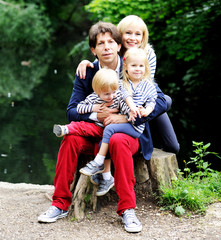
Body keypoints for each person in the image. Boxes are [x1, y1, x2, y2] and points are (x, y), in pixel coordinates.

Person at [37, 21, 168, 233]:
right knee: (69, 137)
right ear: (93, 50)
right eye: (100, 43)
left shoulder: (131, 68)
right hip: (95, 132)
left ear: (119, 46)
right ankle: (59, 203)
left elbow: (161, 101)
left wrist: (125, 118)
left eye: (111, 42)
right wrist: (97, 113)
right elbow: (71, 111)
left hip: (127, 135)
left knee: (116, 138)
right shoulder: (87, 72)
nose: (106, 47)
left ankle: (128, 210)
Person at [76, 15, 180, 195]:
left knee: (173, 144)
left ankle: (141, 134)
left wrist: (129, 115)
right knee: (114, 131)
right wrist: (87, 63)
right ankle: (110, 170)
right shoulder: (116, 52)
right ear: (120, 36)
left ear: (143, 36)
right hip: (126, 101)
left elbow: (148, 85)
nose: (133, 38)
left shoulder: (148, 54)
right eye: (128, 33)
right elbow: (103, 61)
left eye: (138, 34)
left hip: (144, 101)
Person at [79, 47, 157, 184]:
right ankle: (105, 174)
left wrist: (147, 111)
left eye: (141, 66)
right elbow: (125, 97)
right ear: (126, 67)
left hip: (135, 125)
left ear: (146, 67)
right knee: (109, 131)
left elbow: (152, 101)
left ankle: (98, 160)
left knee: (109, 129)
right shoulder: (122, 84)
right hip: (126, 120)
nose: (137, 69)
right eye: (134, 66)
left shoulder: (149, 86)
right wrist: (131, 108)